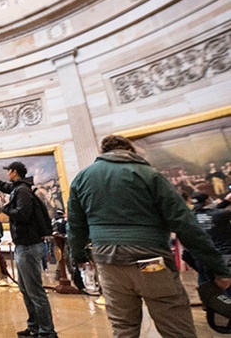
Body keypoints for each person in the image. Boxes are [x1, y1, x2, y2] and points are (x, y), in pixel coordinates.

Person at [66, 135, 231, 338]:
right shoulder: (147, 174)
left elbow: (75, 226)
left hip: (108, 263)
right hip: (149, 262)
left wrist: (79, 257)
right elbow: (185, 223)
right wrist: (217, 268)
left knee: (123, 328)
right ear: (130, 151)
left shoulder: (82, 178)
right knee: (175, 326)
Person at [0, 162, 58, 338]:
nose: (8, 175)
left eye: (9, 172)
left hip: (28, 245)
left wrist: (5, 208)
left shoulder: (23, 191)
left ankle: (47, 331)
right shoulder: (18, 188)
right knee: (26, 289)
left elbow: (23, 214)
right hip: (23, 246)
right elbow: (2, 186)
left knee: (35, 291)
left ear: (14, 172)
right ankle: (34, 327)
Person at [189, 192, 231, 286]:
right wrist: (225, 201)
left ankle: (210, 300)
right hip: (224, 254)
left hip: (202, 256)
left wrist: (225, 202)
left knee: (207, 284)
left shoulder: (191, 216)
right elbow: (216, 213)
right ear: (208, 200)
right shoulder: (221, 214)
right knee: (227, 284)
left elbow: (210, 214)